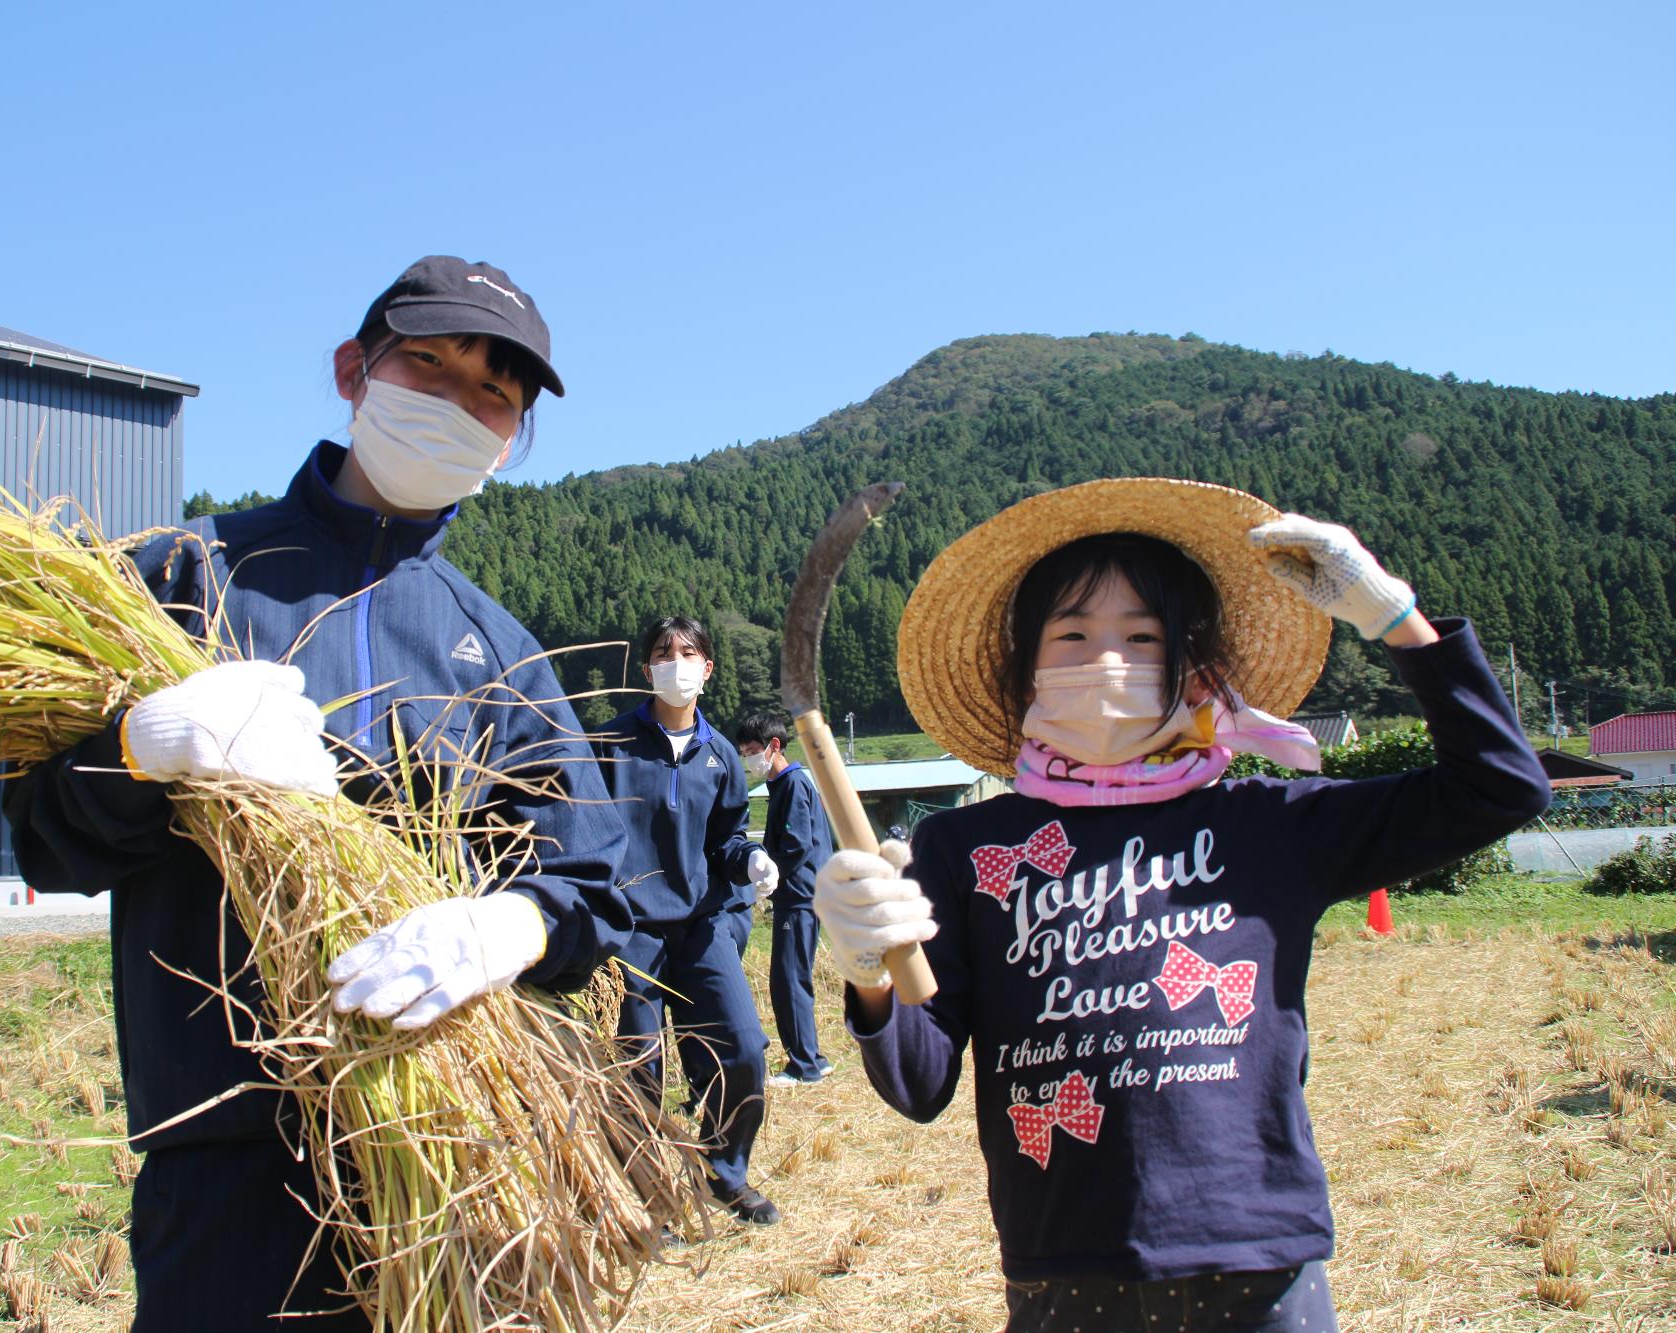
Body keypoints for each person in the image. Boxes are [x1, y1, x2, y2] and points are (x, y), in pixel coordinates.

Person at [6, 256, 633, 1331]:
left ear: (512, 435)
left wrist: (513, 924)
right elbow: (44, 841)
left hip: (447, 1150)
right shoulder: (180, 579)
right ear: (353, 370)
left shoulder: (498, 652)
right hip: (223, 1156)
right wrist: (136, 750)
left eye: (495, 393)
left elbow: (589, 882)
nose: (456, 403)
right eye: (426, 364)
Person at [812, 477, 1549, 1332]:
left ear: (1192, 662)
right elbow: (919, 1079)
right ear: (1023, 666)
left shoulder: (1273, 826)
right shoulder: (966, 848)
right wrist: (867, 969)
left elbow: (1499, 787)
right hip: (1065, 1271)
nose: (1110, 660)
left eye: (1143, 635)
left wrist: (1392, 616)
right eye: (1074, 634)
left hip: (1259, 1262)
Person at [595, 615, 782, 1224]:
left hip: (702, 925)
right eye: (663, 652)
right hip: (631, 930)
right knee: (636, 1064)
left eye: (688, 652)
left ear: (707, 668)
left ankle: (722, 1171)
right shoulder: (611, 747)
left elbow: (726, 839)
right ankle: (644, 1197)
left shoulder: (721, 754)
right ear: (646, 668)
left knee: (745, 1048)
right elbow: (585, 834)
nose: (675, 662)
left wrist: (751, 856)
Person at [733, 710, 835, 1087]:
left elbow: (796, 846)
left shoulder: (791, 785)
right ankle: (813, 1057)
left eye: (753, 749)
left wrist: (768, 876)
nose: (749, 758)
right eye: (743, 751)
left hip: (799, 895)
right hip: (805, 894)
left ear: (775, 746)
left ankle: (804, 1064)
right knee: (794, 977)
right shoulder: (788, 785)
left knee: (788, 980)